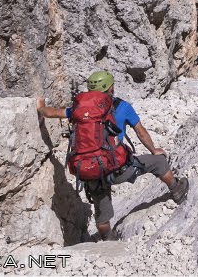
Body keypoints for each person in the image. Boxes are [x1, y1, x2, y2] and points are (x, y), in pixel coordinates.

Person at [36, 70, 189, 241]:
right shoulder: (122, 107)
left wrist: (41, 107)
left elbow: (52, 113)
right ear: (111, 88)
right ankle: (177, 189)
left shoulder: (80, 110)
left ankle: (108, 239)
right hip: (117, 169)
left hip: (90, 170)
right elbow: (141, 132)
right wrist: (154, 150)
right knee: (158, 162)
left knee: (102, 210)